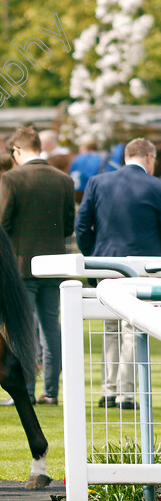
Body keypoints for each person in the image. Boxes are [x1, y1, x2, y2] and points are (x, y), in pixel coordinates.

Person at [75, 138, 161, 410]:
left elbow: (81, 226)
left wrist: (95, 259)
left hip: (106, 264)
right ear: (149, 157)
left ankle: (109, 391)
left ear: (126, 156)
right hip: (143, 268)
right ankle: (125, 393)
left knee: (110, 327)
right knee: (131, 327)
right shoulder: (157, 186)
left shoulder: (98, 183)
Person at [0, 126, 74, 406]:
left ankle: (25, 391)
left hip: (21, 266)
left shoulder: (12, 178)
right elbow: (68, 227)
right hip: (54, 265)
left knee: (22, 330)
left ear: (17, 150)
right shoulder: (64, 180)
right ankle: (50, 392)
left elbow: (0, 226)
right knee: (51, 329)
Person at [70, 135, 103, 204]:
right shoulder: (101, 158)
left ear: (84, 148)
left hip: (78, 191)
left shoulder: (78, 158)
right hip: (96, 193)